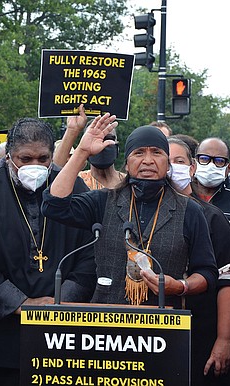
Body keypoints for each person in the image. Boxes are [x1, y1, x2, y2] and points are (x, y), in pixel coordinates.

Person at [0, 118, 96, 386]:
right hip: (3, 336)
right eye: (25, 159)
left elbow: (90, 252)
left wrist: (59, 301)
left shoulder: (71, 185)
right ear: (9, 156)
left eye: (43, 158)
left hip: (61, 332)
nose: (34, 166)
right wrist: (21, 304)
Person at [43, 117, 218, 309]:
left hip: (163, 327)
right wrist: (82, 152)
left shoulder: (189, 210)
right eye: (139, 153)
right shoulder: (103, 201)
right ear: (126, 163)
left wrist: (179, 286)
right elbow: (54, 206)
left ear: (168, 165)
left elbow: (207, 273)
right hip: (108, 322)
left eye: (157, 153)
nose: (148, 160)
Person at [168, 137, 230, 386]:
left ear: (191, 168)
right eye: (165, 161)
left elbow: (229, 282)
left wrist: (224, 340)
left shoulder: (211, 218)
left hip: (200, 332)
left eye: (178, 161)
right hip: (157, 333)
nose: (170, 168)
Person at [192, 137, 230, 258]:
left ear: (229, 167)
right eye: (204, 159)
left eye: (219, 161)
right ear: (194, 163)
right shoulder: (181, 198)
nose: (211, 165)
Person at [53, 105, 124, 189]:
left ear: (117, 146)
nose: (101, 144)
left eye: (108, 138)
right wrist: (72, 130)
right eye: (94, 140)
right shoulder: (76, 181)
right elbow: (55, 177)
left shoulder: (129, 183)